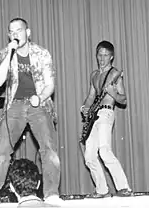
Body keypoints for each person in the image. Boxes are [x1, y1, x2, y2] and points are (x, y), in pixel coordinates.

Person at [0, 17, 63, 206]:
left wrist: (39, 97)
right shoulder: (4, 54)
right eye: (11, 31)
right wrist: (9, 54)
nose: (15, 34)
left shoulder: (42, 53)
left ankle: (51, 193)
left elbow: (50, 85)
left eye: (19, 30)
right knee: (2, 148)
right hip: (14, 105)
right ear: (9, 35)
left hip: (38, 104)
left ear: (28, 32)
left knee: (48, 149)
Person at [80, 40, 132, 198]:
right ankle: (101, 189)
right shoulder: (94, 75)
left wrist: (113, 92)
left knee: (104, 150)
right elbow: (91, 96)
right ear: (96, 55)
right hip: (94, 116)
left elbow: (123, 100)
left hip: (106, 113)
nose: (102, 58)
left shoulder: (115, 74)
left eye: (106, 55)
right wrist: (84, 107)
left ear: (111, 57)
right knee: (89, 155)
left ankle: (123, 188)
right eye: (100, 55)